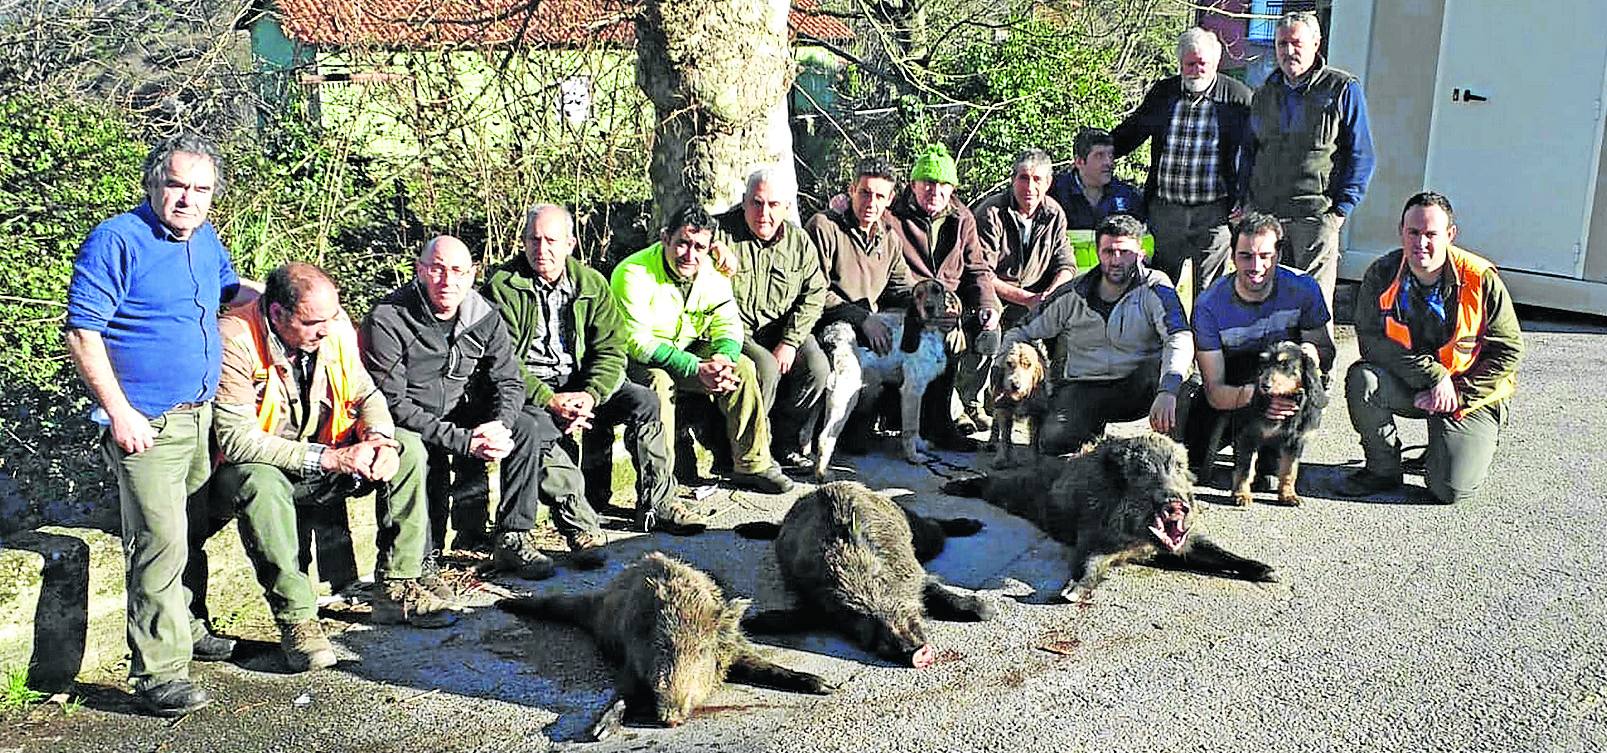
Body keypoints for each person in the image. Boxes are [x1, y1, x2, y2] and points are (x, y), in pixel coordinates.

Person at [65, 134, 256, 716]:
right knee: (158, 543)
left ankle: (188, 627)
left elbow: (232, 292)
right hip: (145, 424)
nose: (187, 199)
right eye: (176, 185)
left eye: (200, 189)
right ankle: (158, 673)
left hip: (198, 417)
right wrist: (120, 412)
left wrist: (299, 302)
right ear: (154, 184)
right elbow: (82, 331)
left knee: (191, 529)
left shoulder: (204, 242)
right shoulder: (118, 240)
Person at [212, 262, 459, 676]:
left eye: (330, 318)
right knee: (260, 483)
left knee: (410, 448)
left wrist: (380, 438)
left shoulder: (334, 326)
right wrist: (330, 457)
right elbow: (237, 440)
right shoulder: (234, 340)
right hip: (258, 467)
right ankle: (298, 620)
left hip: (324, 456)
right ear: (276, 314)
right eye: (311, 323)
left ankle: (398, 582)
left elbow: (366, 393)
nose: (326, 329)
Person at [363, 235, 606, 580]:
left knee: (525, 428)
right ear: (420, 270)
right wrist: (464, 442)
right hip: (411, 418)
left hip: (463, 409)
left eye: (458, 271)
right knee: (417, 453)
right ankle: (424, 559)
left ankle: (513, 536)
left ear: (472, 275)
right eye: (437, 269)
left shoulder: (483, 314)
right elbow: (392, 401)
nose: (448, 281)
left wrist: (500, 426)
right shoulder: (388, 317)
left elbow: (509, 380)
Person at [483, 205, 704, 532]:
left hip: (581, 384)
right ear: (524, 241)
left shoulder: (591, 284)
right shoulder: (503, 286)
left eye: (551, 241)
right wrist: (549, 399)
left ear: (570, 244)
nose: (542, 249)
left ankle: (658, 502)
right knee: (535, 430)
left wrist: (590, 394)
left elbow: (612, 350)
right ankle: (579, 524)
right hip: (532, 391)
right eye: (534, 239)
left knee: (645, 401)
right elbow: (503, 363)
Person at [1338, 192, 1522, 503]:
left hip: (1471, 394)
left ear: (1450, 234)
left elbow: (1509, 351)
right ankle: (1382, 470)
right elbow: (1371, 342)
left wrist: (1457, 392)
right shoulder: (1381, 274)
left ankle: (1451, 448)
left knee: (1449, 490)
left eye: (1431, 234)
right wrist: (1435, 376)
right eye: (1413, 232)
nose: (1421, 243)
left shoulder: (1480, 278)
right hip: (1416, 385)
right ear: (1401, 231)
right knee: (1363, 379)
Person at [611, 205, 793, 494]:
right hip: (639, 360)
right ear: (665, 238)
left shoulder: (712, 273)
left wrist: (723, 359)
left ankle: (751, 465)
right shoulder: (632, 273)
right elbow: (637, 342)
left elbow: (728, 323)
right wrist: (696, 368)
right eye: (682, 243)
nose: (690, 254)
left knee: (743, 368)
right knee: (660, 382)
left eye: (699, 247)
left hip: (685, 350)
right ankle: (662, 482)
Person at [999, 214, 1192, 454]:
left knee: (1185, 385)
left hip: (1139, 384)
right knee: (1053, 441)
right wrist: (1009, 367)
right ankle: (1089, 433)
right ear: (1098, 252)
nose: (1116, 260)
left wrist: (1168, 388)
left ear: (1140, 253)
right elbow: (1021, 331)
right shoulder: (1072, 293)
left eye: (1125, 252)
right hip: (1085, 386)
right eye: (1109, 251)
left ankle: (1178, 453)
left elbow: (1179, 337)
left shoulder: (1156, 286)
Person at [1242, 10, 1376, 317]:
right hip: (1267, 218)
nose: (1288, 51)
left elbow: (1362, 154)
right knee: (1268, 304)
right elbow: (1249, 153)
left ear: (1316, 43)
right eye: (1281, 44)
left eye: (1296, 43)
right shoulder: (1263, 93)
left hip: (1315, 217)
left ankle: (1316, 366)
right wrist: (1245, 201)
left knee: (1312, 307)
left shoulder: (1342, 89)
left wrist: (1341, 210)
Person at [1185, 212, 1336, 476]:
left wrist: (1312, 354)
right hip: (1237, 386)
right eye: (1246, 256)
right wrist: (1259, 397)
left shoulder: (1304, 289)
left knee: (1269, 478)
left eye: (1265, 256)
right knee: (1194, 455)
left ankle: (1275, 452)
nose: (1255, 266)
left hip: (1288, 387)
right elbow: (1215, 390)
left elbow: (1326, 353)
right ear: (1232, 256)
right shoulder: (1209, 305)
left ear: (1278, 255)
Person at [1112, 27, 1251, 294]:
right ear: (1180, 63)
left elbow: (1255, 155)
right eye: (1190, 64)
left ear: (1216, 63)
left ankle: (1204, 337)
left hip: (1214, 213)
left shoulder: (1238, 98)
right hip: (1166, 211)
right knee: (1157, 286)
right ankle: (1163, 336)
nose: (1196, 70)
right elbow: (1134, 130)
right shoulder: (1164, 93)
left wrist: (1246, 198)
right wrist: (1099, 153)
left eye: (1203, 64)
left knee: (1211, 291)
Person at [714, 167, 829, 466]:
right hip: (734, 331)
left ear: (787, 207)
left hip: (779, 329)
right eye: (756, 202)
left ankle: (784, 441)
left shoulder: (799, 242)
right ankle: (750, 451)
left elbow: (814, 293)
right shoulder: (719, 233)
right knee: (764, 367)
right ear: (743, 201)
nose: (764, 213)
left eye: (773, 204)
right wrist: (712, 249)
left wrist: (791, 341)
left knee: (817, 368)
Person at [883, 144, 996, 443]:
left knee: (976, 334)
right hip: (906, 305)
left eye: (943, 184)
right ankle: (928, 423)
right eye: (928, 183)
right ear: (914, 185)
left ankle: (951, 415)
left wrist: (987, 305)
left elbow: (978, 269)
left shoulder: (963, 219)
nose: (935, 191)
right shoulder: (891, 216)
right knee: (932, 336)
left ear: (952, 188)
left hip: (949, 308)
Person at [966, 149, 1079, 417]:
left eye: (1037, 179)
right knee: (988, 331)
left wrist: (1052, 294)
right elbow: (982, 273)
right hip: (993, 291)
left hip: (1037, 295)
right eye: (1023, 178)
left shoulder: (1054, 214)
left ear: (1048, 183)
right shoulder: (991, 212)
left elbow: (1067, 265)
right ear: (1013, 179)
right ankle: (975, 404)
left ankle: (1052, 401)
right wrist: (1027, 299)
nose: (1030, 186)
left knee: (1070, 330)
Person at [1050, 128, 1145, 231]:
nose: (1108, 162)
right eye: (1099, 156)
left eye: (1111, 155)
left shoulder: (1128, 197)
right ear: (1079, 162)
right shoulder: (1055, 193)